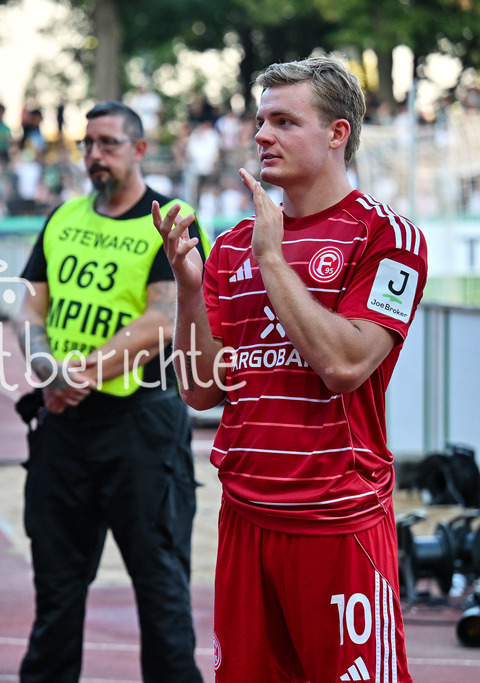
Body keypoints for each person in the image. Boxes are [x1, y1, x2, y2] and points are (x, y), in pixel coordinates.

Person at [155, 56, 427, 682]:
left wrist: (274, 261)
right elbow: (199, 390)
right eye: (260, 121)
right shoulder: (230, 247)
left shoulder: (386, 237)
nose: (261, 137)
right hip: (246, 517)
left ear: (337, 133)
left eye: (283, 121)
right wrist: (191, 291)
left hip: (337, 522)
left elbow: (345, 364)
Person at [16, 100, 206, 683]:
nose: (95, 155)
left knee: (161, 587)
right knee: (56, 593)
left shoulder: (172, 217)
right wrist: (48, 370)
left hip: (141, 427)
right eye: (87, 145)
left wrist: (80, 375)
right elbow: (30, 305)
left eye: (108, 143)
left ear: (140, 150)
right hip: (63, 430)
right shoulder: (64, 217)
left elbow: (162, 317)